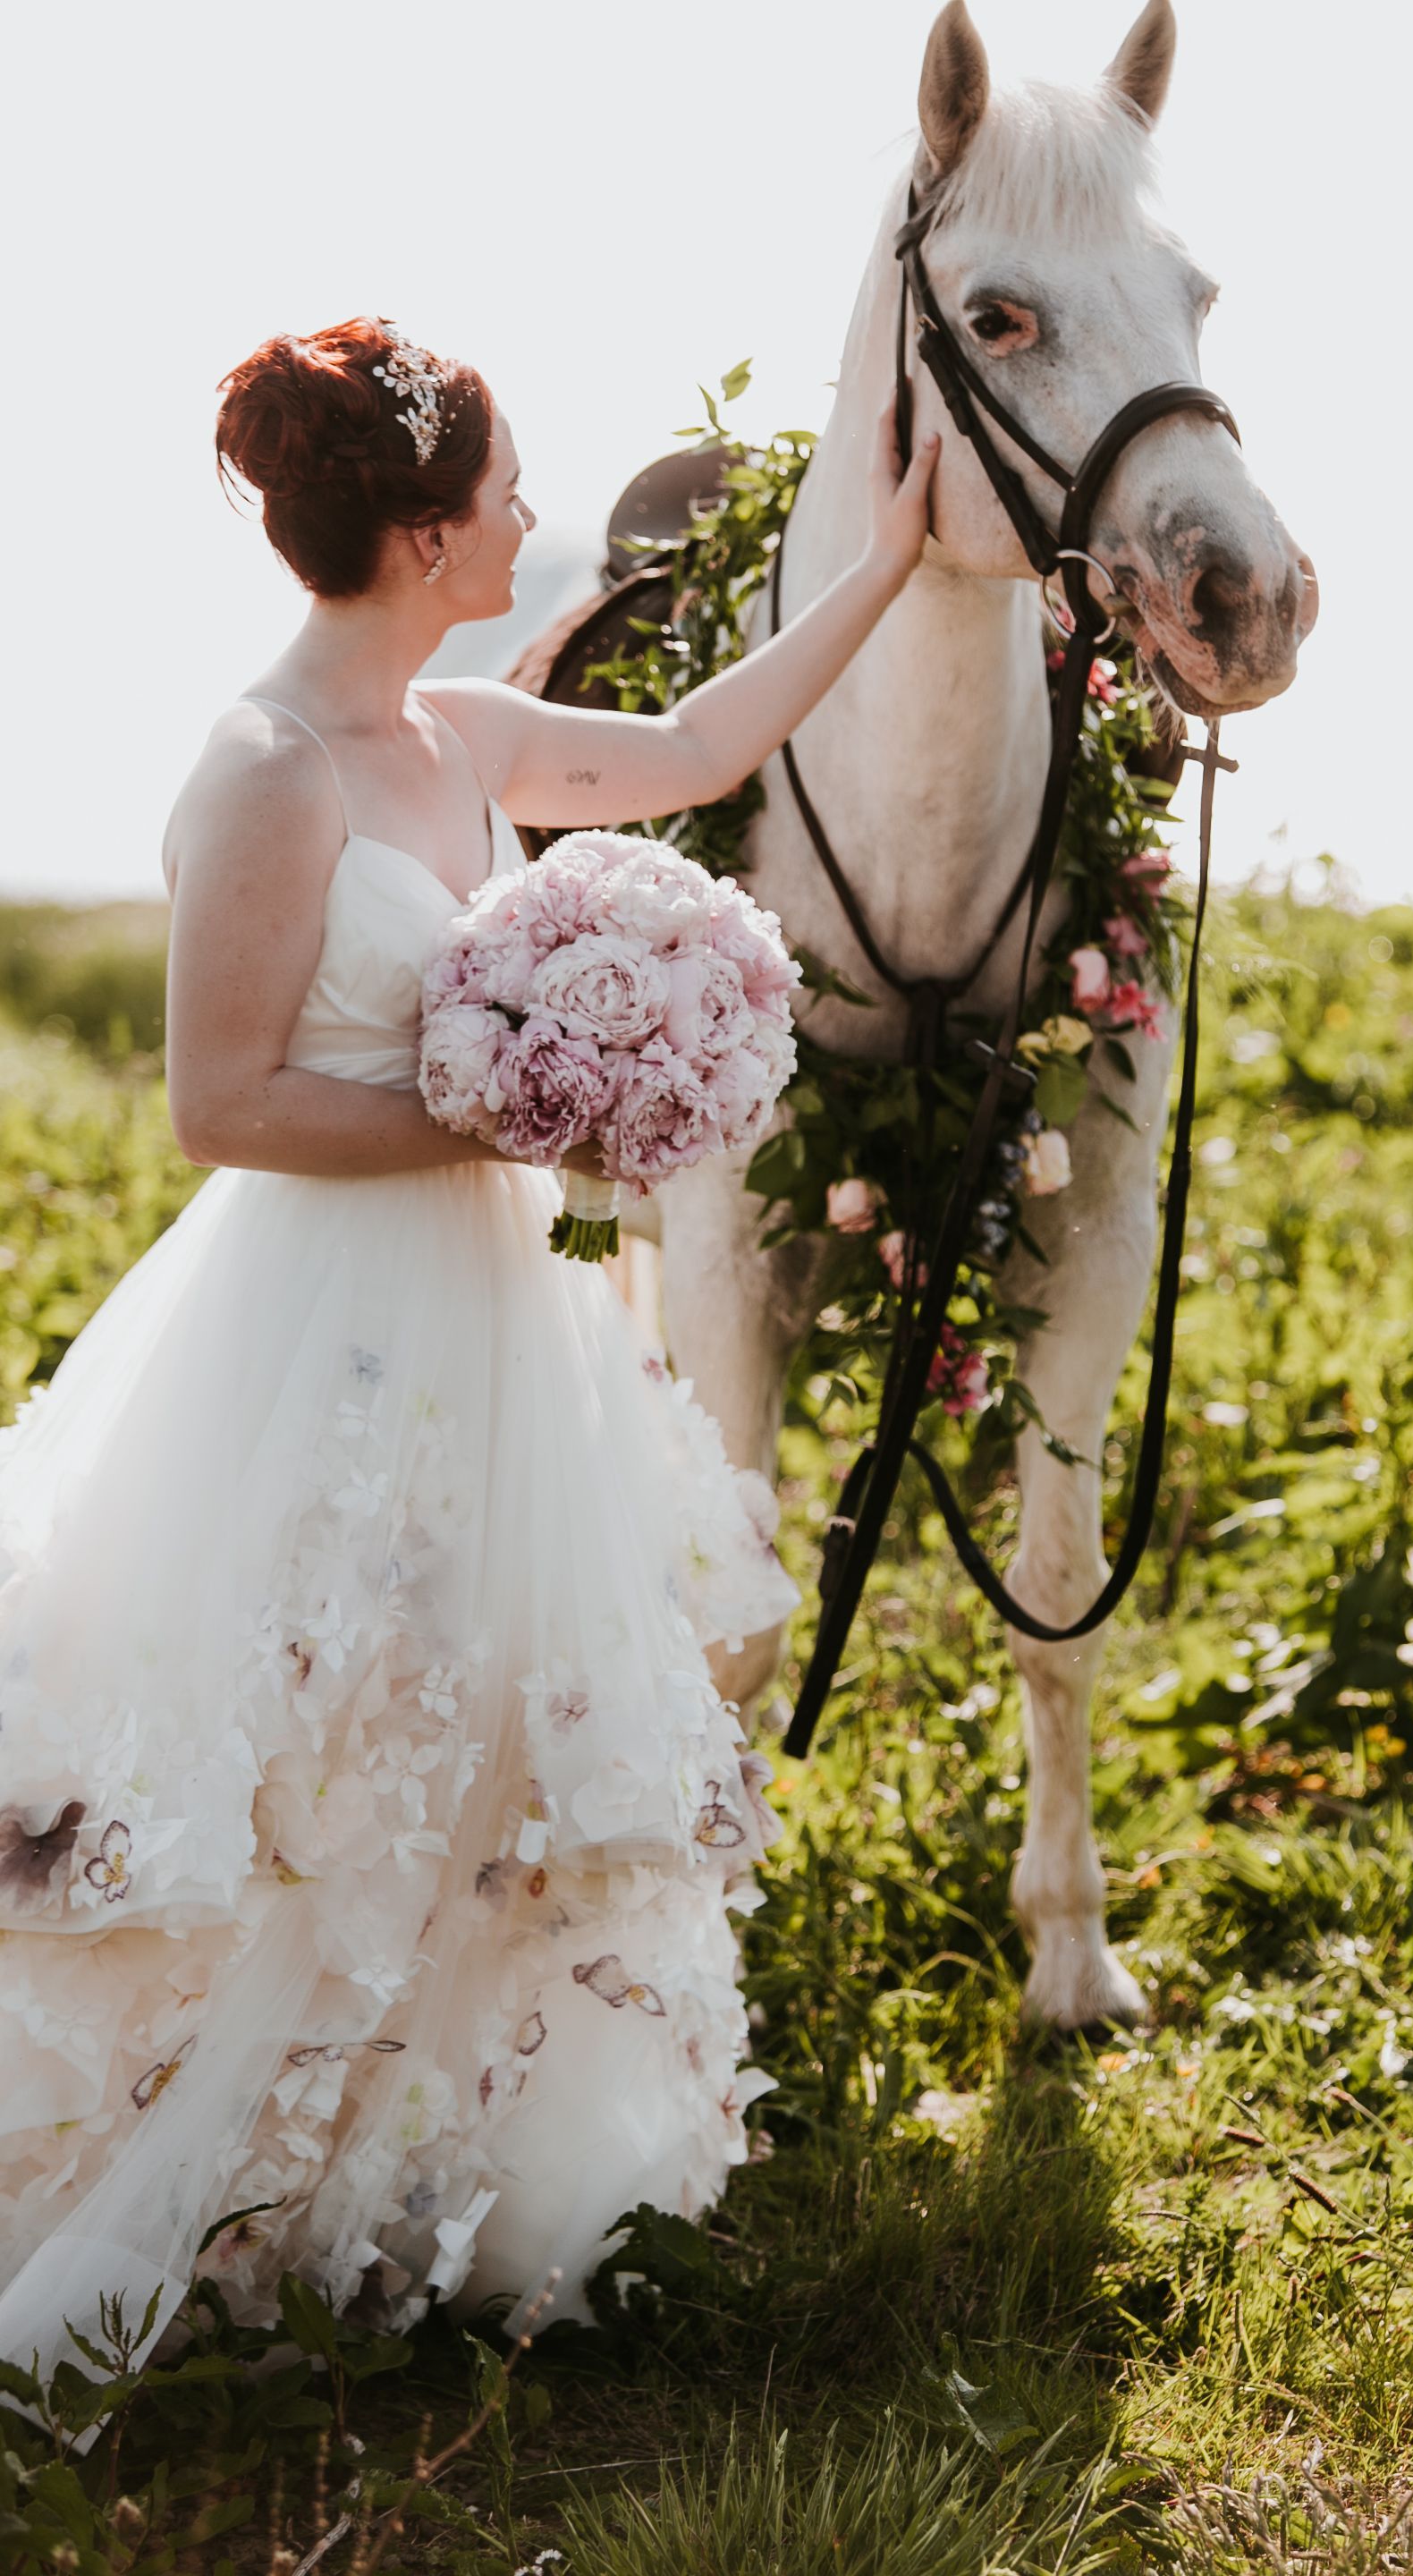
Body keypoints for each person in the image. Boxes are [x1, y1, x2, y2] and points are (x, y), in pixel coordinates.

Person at [0, 317, 937, 2383]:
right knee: (311, 1732)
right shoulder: (262, 771)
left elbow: (694, 749)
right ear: (429, 534)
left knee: (496, 1724)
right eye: (507, 490)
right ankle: (241, 2188)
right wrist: (512, 1108)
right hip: (315, 1316)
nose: (534, 515)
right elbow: (222, 1102)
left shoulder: (459, 730)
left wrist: (890, 560)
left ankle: (448, 2164)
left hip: (505, 1325)